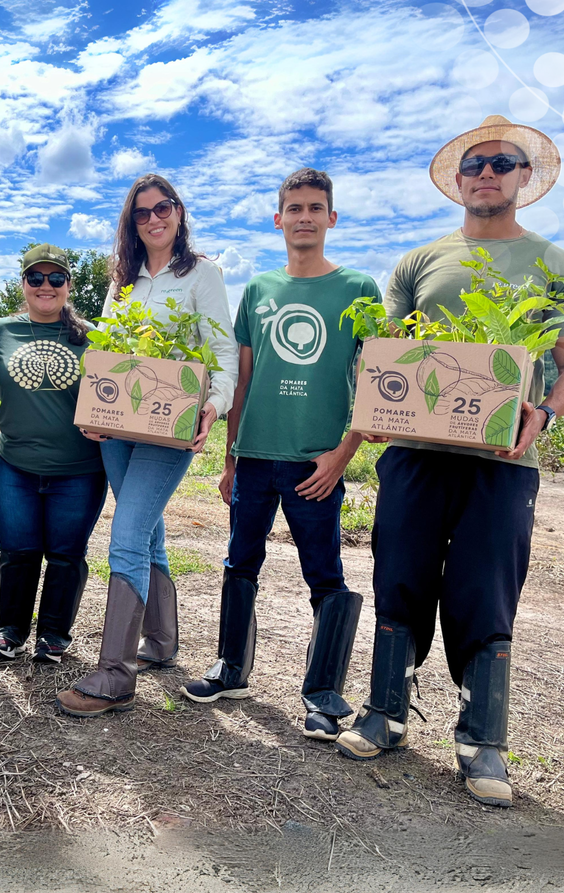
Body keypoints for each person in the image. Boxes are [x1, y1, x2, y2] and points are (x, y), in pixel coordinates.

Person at [335, 116, 564, 808]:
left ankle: (484, 740)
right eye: (475, 165)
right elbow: (388, 346)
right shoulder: (420, 262)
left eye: (502, 163)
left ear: (523, 178)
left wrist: (546, 412)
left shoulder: (556, 265)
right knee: (399, 574)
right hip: (416, 453)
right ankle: (386, 712)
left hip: (504, 461)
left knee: (486, 586)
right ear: (458, 180)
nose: (486, 173)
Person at [179, 168, 375, 741]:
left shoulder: (358, 289)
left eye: (316, 207)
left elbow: (376, 378)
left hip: (316, 461)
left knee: (325, 574)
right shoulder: (259, 291)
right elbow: (241, 380)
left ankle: (323, 692)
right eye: (295, 208)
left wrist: (343, 455)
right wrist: (231, 458)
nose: (305, 217)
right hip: (256, 458)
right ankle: (231, 669)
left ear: (331, 218)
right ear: (278, 219)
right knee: (240, 562)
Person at [56, 173, 238, 717]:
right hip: (118, 428)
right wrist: (94, 407)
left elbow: (223, 355)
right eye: (142, 213)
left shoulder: (202, 274)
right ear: (131, 223)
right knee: (149, 530)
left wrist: (214, 404)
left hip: (171, 422)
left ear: (179, 213)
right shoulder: (123, 280)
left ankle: (115, 673)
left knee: (129, 531)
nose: (154, 218)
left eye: (164, 208)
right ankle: (159, 643)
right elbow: (112, 352)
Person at [0, 244, 107, 665]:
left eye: (56, 278)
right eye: (36, 277)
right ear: (23, 283)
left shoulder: (93, 336)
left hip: (79, 471)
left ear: (68, 286)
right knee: (17, 552)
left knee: (66, 555)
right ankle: (11, 631)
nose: (45, 286)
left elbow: (117, 398)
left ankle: (54, 634)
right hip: (15, 465)